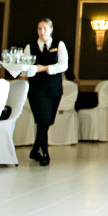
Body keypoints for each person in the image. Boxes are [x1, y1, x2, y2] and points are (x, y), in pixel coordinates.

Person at [24, 18, 68, 166]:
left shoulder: (59, 45)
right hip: (36, 89)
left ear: (51, 29)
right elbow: (26, 67)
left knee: (47, 121)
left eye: (44, 28)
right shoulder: (30, 47)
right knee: (42, 120)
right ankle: (45, 153)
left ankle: (34, 150)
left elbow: (63, 65)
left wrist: (45, 68)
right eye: (39, 29)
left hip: (54, 88)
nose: (41, 31)